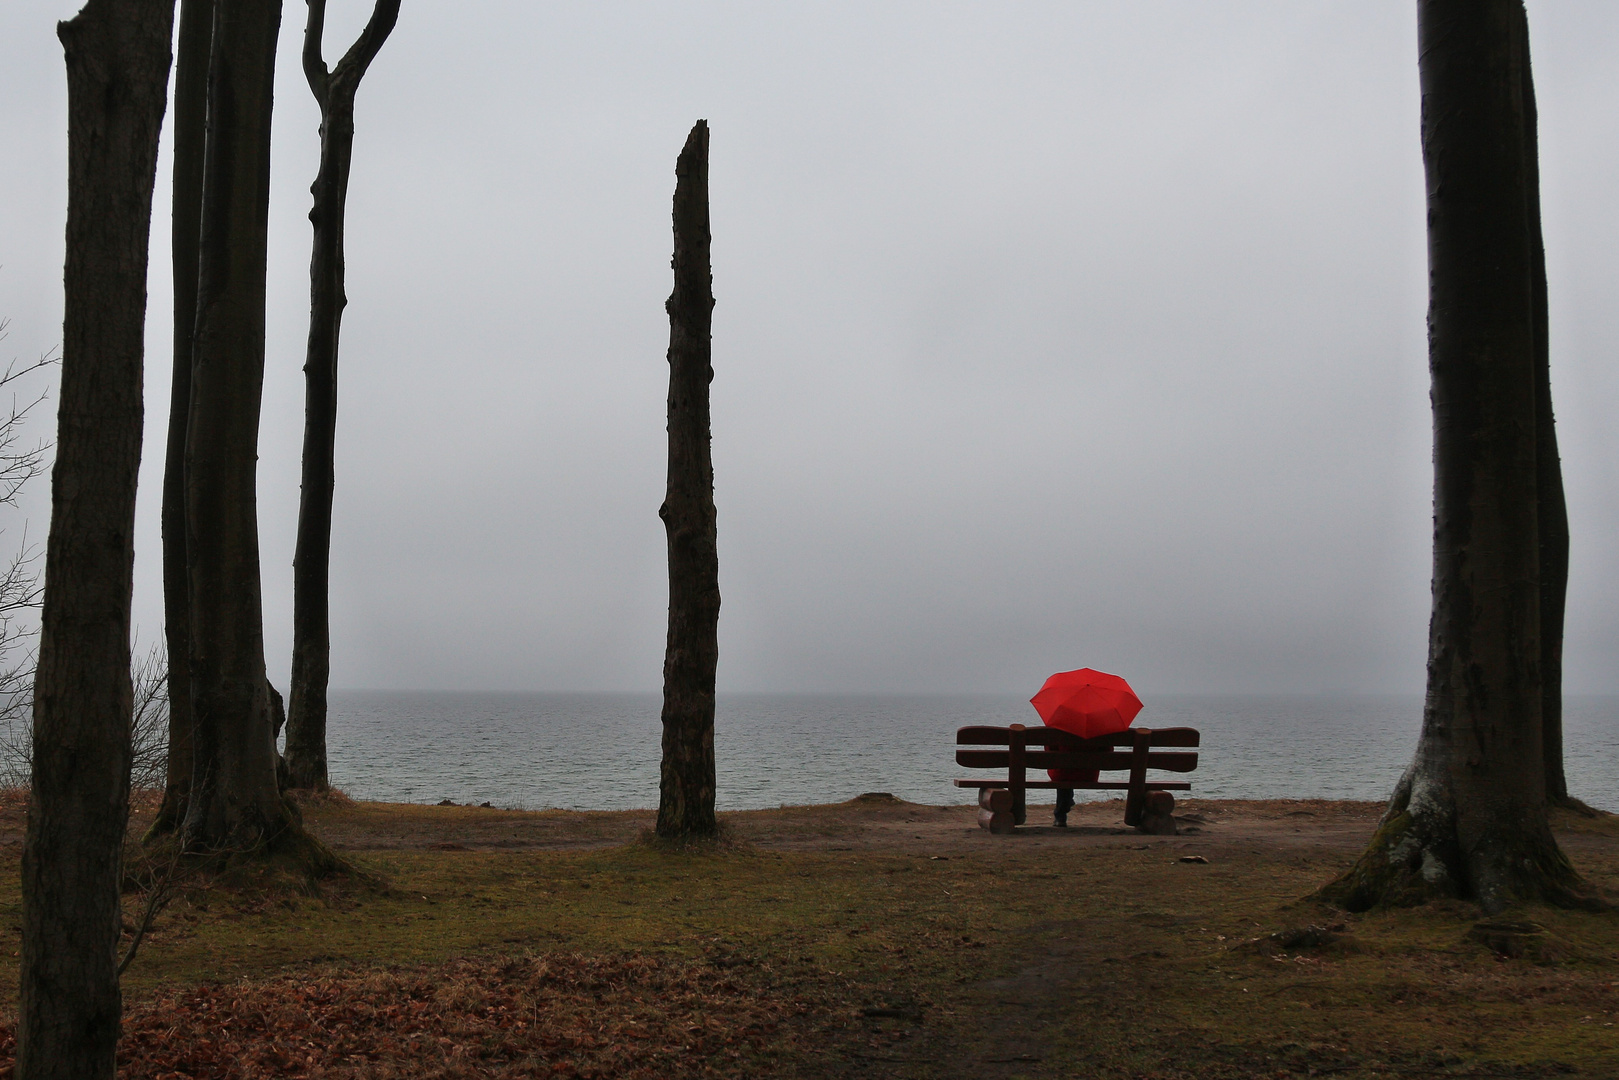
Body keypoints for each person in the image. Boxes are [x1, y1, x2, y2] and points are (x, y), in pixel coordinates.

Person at [1045, 731, 1098, 827]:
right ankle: (1065, 804)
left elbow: (1050, 751)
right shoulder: (1098, 730)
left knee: (1064, 772)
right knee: (1066, 771)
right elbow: (1108, 751)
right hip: (1088, 774)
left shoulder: (1058, 730)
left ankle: (1060, 815)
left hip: (1062, 773)